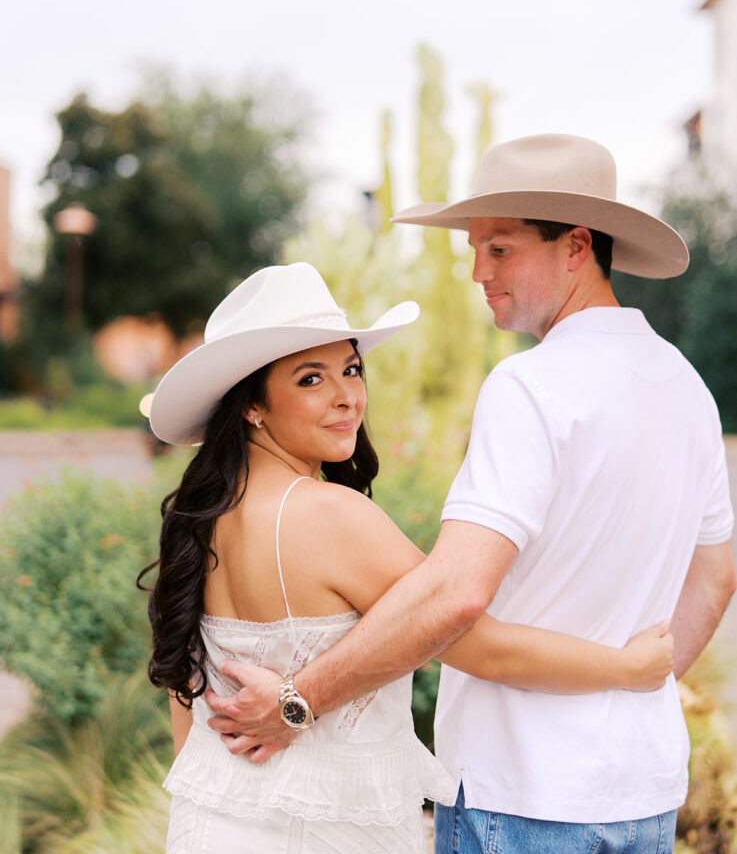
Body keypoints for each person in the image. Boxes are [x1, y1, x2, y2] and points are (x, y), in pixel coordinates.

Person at [208, 136, 737, 854]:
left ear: (576, 246)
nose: (476, 272)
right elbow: (715, 575)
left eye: (499, 249)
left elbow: (455, 593)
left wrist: (299, 702)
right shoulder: (686, 388)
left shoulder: (531, 386)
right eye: (473, 249)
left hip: (519, 795)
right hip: (641, 791)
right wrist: (630, 689)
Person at [141, 259, 674, 854]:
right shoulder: (328, 515)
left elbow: (185, 715)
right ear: (252, 405)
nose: (347, 397)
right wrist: (629, 668)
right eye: (310, 379)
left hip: (209, 830)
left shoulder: (201, 522)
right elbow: (476, 642)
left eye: (350, 369)